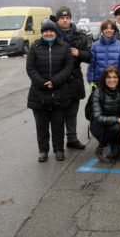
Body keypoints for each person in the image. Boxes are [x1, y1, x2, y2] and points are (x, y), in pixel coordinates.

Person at [26, 19, 74, 162]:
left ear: (55, 32)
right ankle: (43, 151)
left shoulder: (64, 46)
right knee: (41, 126)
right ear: (42, 32)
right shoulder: (34, 47)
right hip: (38, 93)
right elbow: (30, 68)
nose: (48, 33)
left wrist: (55, 81)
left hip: (59, 92)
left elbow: (68, 67)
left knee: (58, 124)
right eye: (46, 31)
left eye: (51, 31)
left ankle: (59, 150)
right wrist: (42, 83)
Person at [54, 6, 92, 150]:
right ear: (57, 20)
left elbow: (89, 56)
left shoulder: (80, 36)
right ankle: (58, 143)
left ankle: (72, 138)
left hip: (74, 78)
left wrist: (79, 53)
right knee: (58, 113)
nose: (65, 20)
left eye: (67, 18)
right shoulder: (52, 35)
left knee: (72, 111)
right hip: (58, 78)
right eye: (62, 18)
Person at [84, 65, 120, 163]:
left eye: (115, 77)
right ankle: (101, 147)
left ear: (119, 78)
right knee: (115, 128)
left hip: (115, 123)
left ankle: (114, 142)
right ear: (104, 79)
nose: (112, 80)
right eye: (108, 77)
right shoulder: (97, 93)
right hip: (98, 124)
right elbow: (97, 117)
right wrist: (118, 119)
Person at [87, 19, 120, 88]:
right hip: (99, 82)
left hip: (114, 82)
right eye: (106, 28)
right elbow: (91, 65)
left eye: (111, 28)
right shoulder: (95, 46)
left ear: (114, 30)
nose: (109, 30)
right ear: (102, 30)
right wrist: (91, 81)